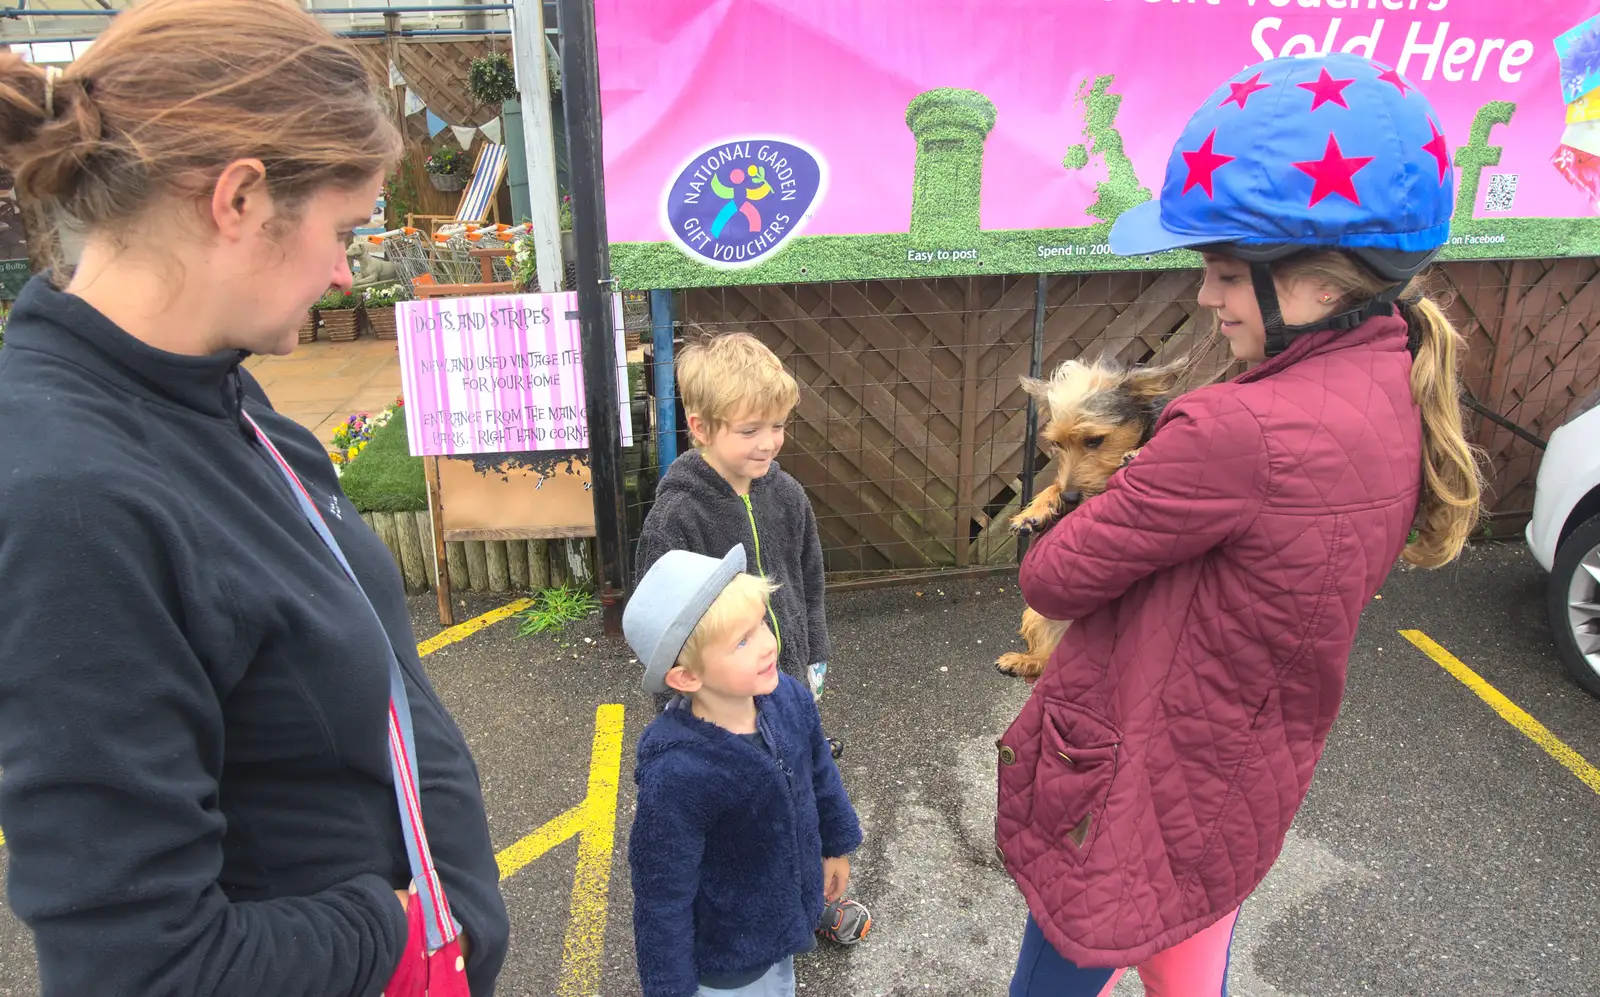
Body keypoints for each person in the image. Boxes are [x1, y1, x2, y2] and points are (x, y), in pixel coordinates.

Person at [0, 1, 508, 994]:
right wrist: (400, 925)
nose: (341, 268)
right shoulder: (70, 500)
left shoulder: (209, 387)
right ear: (237, 199)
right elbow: (141, 966)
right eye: (341, 229)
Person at [994, 51, 1482, 996]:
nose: (1207, 297)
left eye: (1222, 272)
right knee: (1189, 942)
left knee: (1069, 948)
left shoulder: (1230, 430)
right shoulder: (1396, 387)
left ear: (1321, 284)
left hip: (1134, 779)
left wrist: (1108, 497)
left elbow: (1050, 579)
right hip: (1239, 775)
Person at [634, 331, 873, 943]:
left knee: (798, 790)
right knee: (744, 815)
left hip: (784, 680)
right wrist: (678, 707)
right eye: (750, 430)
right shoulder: (677, 517)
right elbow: (665, 626)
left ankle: (809, 895)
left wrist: (814, 653)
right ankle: (738, 911)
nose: (769, 442)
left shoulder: (786, 494)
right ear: (702, 426)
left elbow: (810, 579)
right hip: (720, 703)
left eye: (777, 426)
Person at [623, 546, 863, 997]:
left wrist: (836, 844)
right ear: (686, 678)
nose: (769, 643)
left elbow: (819, 772)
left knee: (780, 985)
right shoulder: (677, 774)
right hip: (727, 957)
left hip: (786, 920)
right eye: (742, 641)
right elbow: (661, 896)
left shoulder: (787, 698)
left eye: (761, 624)